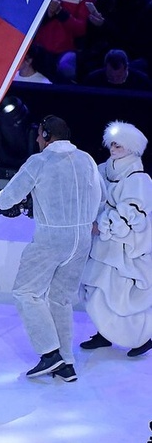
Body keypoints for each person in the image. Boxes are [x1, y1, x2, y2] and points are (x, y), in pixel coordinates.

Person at [0, 115, 102, 381]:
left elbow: (8, 198)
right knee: (61, 299)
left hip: (52, 238)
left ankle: (49, 353)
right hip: (82, 238)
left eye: (39, 136)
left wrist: (0, 201)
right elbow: (99, 195)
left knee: (26, 292)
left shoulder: (40, 161)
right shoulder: (87, 159)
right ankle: (66, 362)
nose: (38, 140)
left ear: (45, 135)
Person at [80, 121, 152, 358]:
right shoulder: (104, 169)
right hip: (103, 243)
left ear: (132, 148)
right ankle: (105, 333)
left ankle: (142, 336)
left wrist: (103, 224)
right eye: (112, 143)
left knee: (120, 295)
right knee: (96, 290)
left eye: (119, 145)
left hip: (124, 247)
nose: (113, 147)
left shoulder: (138, 178)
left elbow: (132, 212)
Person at [84, 49, 152, 90]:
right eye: (110, 76)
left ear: (126, 69)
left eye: (119, 76)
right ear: (105, 68)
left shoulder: (142, 82)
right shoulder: (92, 80)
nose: (115, 80)